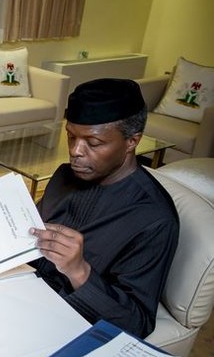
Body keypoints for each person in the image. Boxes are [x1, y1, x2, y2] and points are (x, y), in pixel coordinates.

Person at [29, 78, 179, 338]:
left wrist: (79, 271)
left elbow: (137, 323)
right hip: (23, 294)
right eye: (71, 136)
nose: (75, 151)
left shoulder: (154, 219)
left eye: (94, 143)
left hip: (68, 323)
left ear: (132, 141)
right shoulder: (65, 176)